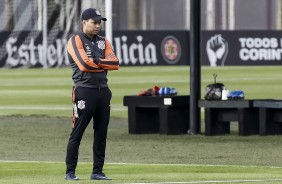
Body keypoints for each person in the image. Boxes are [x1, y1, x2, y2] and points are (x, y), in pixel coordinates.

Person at [65, 8, 119, 181]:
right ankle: (70, 172)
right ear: (84, 22)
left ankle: (97, 171)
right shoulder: (75, 40)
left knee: (101, 133)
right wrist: (103, 64)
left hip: (103, 92)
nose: (98, 26)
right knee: (77, 132)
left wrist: (97, 61)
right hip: (84, 91)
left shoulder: (104, 41)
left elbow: (116, 63)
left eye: (99, 23)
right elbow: (83, 65)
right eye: (94, 22)